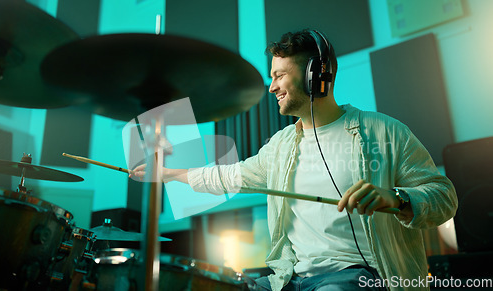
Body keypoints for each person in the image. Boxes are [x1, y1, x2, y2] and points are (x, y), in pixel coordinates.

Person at [132, 29, 457, 290]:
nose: (271, 87)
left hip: (356, 277)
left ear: (317, 77)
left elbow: (444, 198)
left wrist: (397, 198)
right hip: (289, 279)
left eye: (279, 75)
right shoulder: (281, 146)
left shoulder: (384, 132)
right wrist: (169, 173)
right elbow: (229, 176)